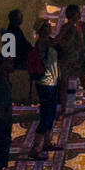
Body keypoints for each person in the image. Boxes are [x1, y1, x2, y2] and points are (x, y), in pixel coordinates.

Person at [28, 19, 62, 160]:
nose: (49, 27)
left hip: (52, 81)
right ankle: (34, 149)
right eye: (46, 26)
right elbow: (55, 43)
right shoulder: (42, 42)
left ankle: (47, 143)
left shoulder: (49, 40)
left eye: (49, 25)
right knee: (46, 115)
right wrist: (67, 27)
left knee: (51, 112)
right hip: (45, 83)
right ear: (41, 30)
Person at [55, 4, 85, 111]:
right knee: (64, 84)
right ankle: (63, 108)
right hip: (67, 60)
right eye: (73, 14)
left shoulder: (83, 26)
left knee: (83, 80)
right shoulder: (65, 28)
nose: (78, 16)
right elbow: (60, 42)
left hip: (80, 59)